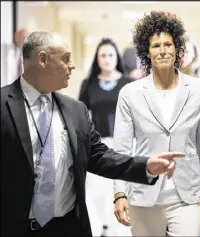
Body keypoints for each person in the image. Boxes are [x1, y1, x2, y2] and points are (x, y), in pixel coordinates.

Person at [0, 31, 185, 237]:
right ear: (42, 59)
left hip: (68, 228)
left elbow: (98, 156)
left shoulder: (74, 110)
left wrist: (145, 166)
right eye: (66, 58)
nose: (73, 65)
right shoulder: (3, 105)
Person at [113, 11, 200, 237]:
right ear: (146, 52)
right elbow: (121, 150)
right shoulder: (130, 94)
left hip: (186, 197)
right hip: (143, 197)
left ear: (177, 48)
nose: (162, 51)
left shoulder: (198, 90)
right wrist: (120, 194)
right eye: (155, 45)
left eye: (168, 44)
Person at [78, 37, 134, 235]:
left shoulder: (128, 83)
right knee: (97, 190)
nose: (107, 59)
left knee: (120, 188)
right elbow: (81, 114)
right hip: (98, 144)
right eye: (103, 55)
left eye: (110, 55)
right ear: (97, 59)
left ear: (116, 57)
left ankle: (117, 227)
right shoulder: (89, 84)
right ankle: (106, 224)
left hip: (124, 144)